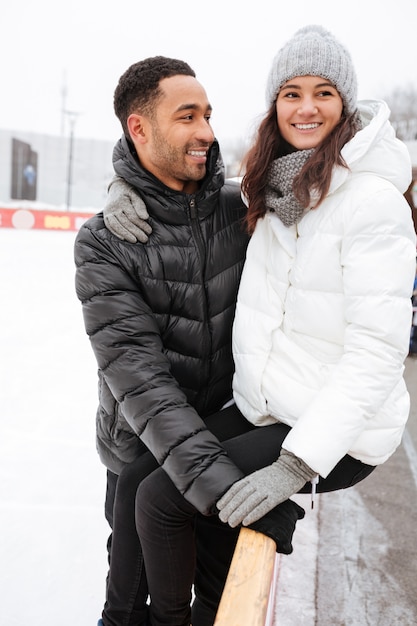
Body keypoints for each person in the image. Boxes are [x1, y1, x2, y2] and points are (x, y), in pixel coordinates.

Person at [104, 25, 417, 626]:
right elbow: (180, 195)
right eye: (291, 92)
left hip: (335, 431)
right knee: (138, 470)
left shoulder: (372, 201)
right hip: (268, 407)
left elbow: (378, 354)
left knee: (163, 500)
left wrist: (297, 465)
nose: (306, 107)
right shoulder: (276, 189)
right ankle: (120, 617)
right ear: (275, 103)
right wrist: (125, 184)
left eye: (324, 92)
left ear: (345, 103)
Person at [74, 56, 305, 626]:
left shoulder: (238, 208)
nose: (207, 131)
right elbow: (144, 384)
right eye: (187, 116)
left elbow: (320, 188)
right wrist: (226, 490)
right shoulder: (105, 243)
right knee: (132, 607)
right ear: (140, 128)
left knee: (219, 602)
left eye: (208, 114)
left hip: (227, 439)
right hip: (144, 457)